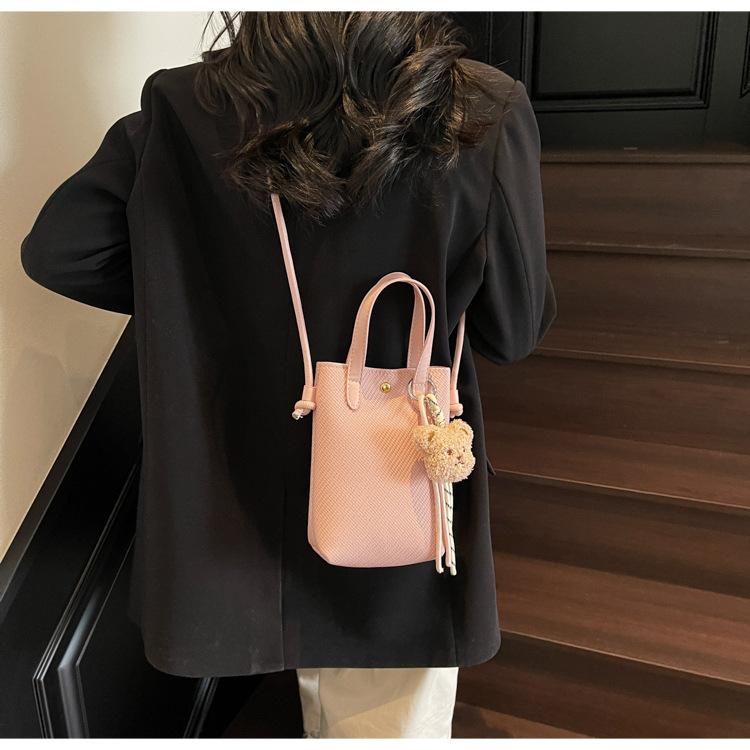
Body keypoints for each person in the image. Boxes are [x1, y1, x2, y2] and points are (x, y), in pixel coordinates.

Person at [19, 11, 556, 739]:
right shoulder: (478, 107)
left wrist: (198, 305)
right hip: (395, 481)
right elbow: (512, 331)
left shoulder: (183, 104)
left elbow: (62, 251)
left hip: (227, 495)